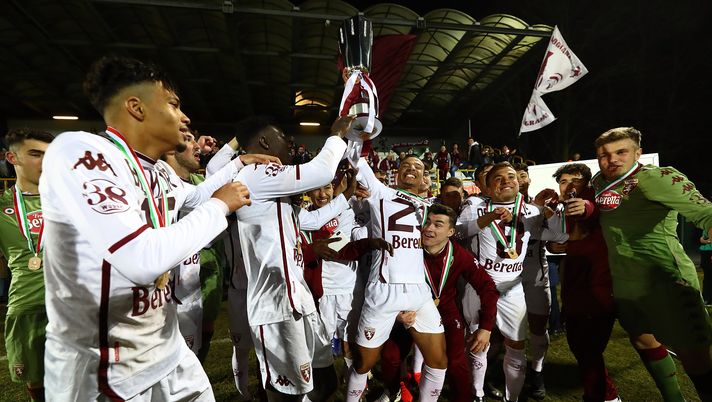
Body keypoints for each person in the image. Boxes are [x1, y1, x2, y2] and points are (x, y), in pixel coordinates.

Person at [39, 55, 264, 401]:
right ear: (136, 107)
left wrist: (239, 163)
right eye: (173, 104)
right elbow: (140, 258)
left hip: (164, 345)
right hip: (106, 368)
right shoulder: (83, 153)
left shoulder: (159, 172)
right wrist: (222, 205)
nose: (184, 116)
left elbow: (198, 197)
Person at [233, 115, 355, 401]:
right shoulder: (255, 175)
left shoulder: (275, 190)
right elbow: (321, 171)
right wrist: (336, 134)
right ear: (264, 142)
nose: (290, 145)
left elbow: (311, 221)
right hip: (275, 304)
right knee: (287, 394)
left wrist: (345, 196)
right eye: (283, 138)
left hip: (299, 298)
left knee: (324, 382)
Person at [592, 127, 712, 401]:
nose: (612, 160)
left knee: (694, 357)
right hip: (625, 282)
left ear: (638, 153)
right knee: (643, 340)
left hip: (666, 280)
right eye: (604, 155)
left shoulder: (655, 178)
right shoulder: (600, 182)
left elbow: (704, 210)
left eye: (621, 152)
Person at [345, 155, 448, 402]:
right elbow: (357, 160)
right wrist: (360, 129)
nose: (411, 169)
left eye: (418, 166)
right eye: (406, 166)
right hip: (383, 290)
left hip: (417, 291)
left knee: (438, 360)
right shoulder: (381, 192)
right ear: (396, 173)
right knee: (364, 363)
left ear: (425, 177)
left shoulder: (430, 207)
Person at [458, 162, 563, 402]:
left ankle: (511, 398)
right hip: (479, 287)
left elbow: (558, 236)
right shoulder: (476, 207)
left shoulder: (532, 211)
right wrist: (487, 219)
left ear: (519, 182)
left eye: (511, 176)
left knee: (516, 345)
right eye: (498, 178)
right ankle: (477, 394)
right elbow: (458, 232)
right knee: (476, 342)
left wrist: (553, 214)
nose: (506, 180)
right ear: (488, 185)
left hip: (513, 288)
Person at [378, 204, 499, 402]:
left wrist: (486, 327)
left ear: (451, 232)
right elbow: (383, 285)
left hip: (445, 310)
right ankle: (394, 391)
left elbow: (488, 287)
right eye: (427, 222)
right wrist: (397, 314)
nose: (429, 228)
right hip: (408, 311)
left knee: (457, 363)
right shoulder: (406, 250)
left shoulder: (460, 255)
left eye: (438, 224)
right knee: (390, 357)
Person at [551, 163, 621, 402]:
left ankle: (604, 396)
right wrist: (559, 244)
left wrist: (586, 207)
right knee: (582, 347)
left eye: (576, 180)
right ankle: (603, 395)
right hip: (574, 286)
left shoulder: (595, 199)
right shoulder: (561, 209)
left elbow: (590, 209)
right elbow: (565, 238)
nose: (569, 186)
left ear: (588, 184)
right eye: (563, 182)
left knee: (587, 347)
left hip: (597, 286)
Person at [163, 130, 228, 362]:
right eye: (188, 139)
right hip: (170, 281)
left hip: (206, 268)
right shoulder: (160, 181)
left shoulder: (200, 183)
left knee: (201, 338)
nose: (197, 146)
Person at [0, 128, 54, 401]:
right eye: (35, 154)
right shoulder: (2, 207)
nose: (44, 162)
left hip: (75, 309)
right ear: (12, 157)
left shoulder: (71, 202)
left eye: (49, 155)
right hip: (28, 307)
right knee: (38, 385)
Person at [513, 162, 567, 400]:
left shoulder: (543, 204)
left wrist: (546, 212)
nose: (517, 179)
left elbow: (560, 234)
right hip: (507, 275)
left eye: (522, 174)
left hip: (535, 273)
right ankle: (511, 371)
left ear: (528, 179)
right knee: (505, 329)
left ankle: (537, 371)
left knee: (538, 326)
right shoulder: (497, 206)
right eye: (512, 176)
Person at [701, 230, 712, 305]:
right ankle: (706, 298)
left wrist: (707, 241)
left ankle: (708, 299)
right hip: (705, 252)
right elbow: (702, 239)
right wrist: (707, 241)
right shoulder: (707, 225)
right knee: (707, 277)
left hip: (709, 251)